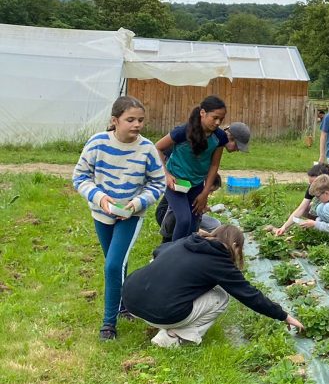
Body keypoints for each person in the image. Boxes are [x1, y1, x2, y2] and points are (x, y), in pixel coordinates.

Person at [72, 95, 166, 341]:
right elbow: (80, 177)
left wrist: (137, 203)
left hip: (130, 217)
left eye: (141, 120)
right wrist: (100, 199)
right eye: (130, 120)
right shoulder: (97, 143)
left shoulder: (147, 149)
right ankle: (124, 305)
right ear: (115, 121)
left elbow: (158, 183)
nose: (137, 125)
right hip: (102, 215)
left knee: (112, 265)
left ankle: (108, 324)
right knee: (117, 263)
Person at [122, 224, 303, 349]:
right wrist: (284, 316)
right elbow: (249, 295)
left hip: (131, 299)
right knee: (221, 297)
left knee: (159, 264)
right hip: (162, 313)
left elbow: (158, 251)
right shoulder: (219, 260)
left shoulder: (188, 241)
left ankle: (161, 315)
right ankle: (173, 337)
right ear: (234, 245)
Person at [153, 96, 230, 242]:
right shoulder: (182, 132)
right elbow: (157, 148)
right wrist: (166, 175)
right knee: (183, 220)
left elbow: (214, 165)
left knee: (193, 224)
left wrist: (205, 192)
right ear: (202, 113)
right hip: (175, 183)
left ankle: (186, 256)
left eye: (221, 118)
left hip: (196, 185)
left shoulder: (219, 137)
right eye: (215, 118)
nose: (218, 122)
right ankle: (172, 256)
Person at [265, 162, 329, 236]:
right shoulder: (313, 186)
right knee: (310, 208)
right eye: (311, 183)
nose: (312, 186)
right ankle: (324, 226)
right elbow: (301, 208)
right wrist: (284, 227)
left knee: (327, 208)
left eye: (314, 183)